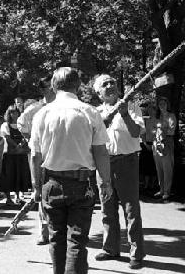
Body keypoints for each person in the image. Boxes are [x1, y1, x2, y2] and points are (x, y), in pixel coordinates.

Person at [30, 67, 113, 274]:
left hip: (51, 183)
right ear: (78, 86)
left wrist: (36, 187)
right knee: (76, 241)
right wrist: (106, 183)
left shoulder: (42, 114)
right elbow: (101, 152)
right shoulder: (89, 112)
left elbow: (34, 155)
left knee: (57, 239)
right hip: (81, 183)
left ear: (53, 86)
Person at [93, 74, 146, 270]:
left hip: (127, 161)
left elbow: (136, 133)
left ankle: (136, 253)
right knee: (107, 208)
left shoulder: (131, 107)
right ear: (99, 93)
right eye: (104, 84)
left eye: (112, 82)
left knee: (131, 209)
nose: (110, 86)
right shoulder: (96, 113)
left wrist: (124, 114)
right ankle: (110, 248)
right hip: (105, 164)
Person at [17, 74, 55, 245]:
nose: (52, 89)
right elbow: (20, 123)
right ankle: (44, 232)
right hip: (39, 156)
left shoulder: (62, 106)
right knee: (40, 192)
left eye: (53, 85)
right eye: (48, 86)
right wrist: (30, 139)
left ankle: (60, 231)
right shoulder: (35, 108)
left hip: (58, 156)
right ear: (42, 90)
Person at [0, 105, 31, 205]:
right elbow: (7, 137)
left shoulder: (23, 124)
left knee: (19, 175)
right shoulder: (5, 125)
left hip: (21, 154)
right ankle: (8, 199)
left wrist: (20, 145)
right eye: (12, 112)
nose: (14, 114)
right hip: (9, 155)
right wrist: (16, 146)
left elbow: (27, 136)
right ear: (9, 114)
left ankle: (18, 197)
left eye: (16, 112)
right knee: (8, 175)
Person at [153, 96, 177, 201]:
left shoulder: (171, 116)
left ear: (167, 105)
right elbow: (152, 130)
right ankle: (161, 189)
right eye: (160, 104)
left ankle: (167, 191)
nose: (162, 106)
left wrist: (161, 129)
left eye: (164, 103)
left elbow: (172, 131)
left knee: (167, 168)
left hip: (167, 143)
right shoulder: (157, 117)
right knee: (159, 168)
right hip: (156, 144)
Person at [140, 103, 158, 193]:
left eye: (152, 109)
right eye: (149, 109)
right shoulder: (145, 120)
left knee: (154, 165)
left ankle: (153, 184)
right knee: (146, 165)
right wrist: (145, 144)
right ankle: (146, 185)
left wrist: (154, 143)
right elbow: (142, 133)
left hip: (156, 144)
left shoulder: (159, 120)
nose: (151, 111)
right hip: (146, 144)